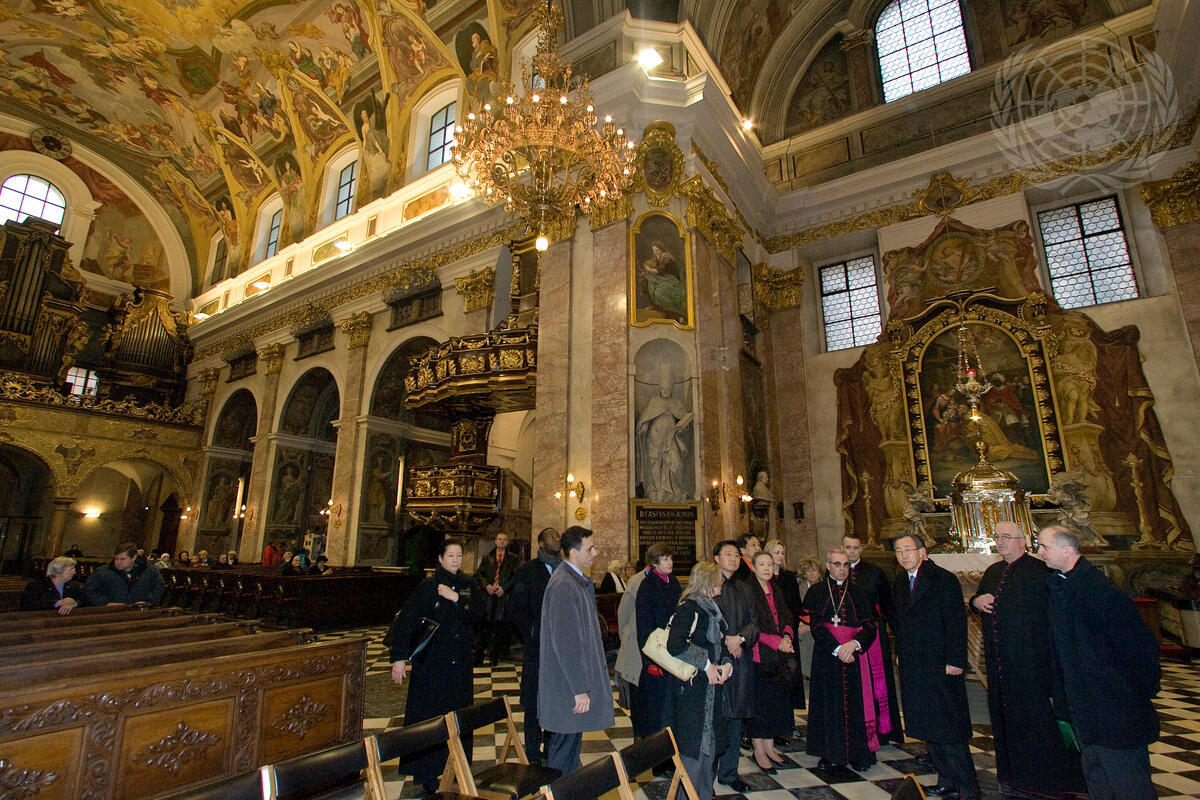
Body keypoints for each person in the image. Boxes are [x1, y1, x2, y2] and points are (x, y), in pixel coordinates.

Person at [1039, 525, 1160, 800]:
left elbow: (1141, 650)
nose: (1040, 552)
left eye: (1045, 546)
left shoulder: (1099, 591)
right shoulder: (1063, 586)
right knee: (1098, 778)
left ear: (1067, 550)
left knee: (1128, 783)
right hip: (1086, 707)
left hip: (1114, 709)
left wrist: (1130, 694)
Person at [970, 522, 1084, 798]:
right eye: (997, 537)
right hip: (1000, 665)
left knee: (1037, 724)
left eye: (1007, 537)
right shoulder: (993, 571)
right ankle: (1013, 777)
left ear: (1024, 541)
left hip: (1032, 665)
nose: (1000, 541)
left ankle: (1043, 782)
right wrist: (976, 601)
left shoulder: (1040, 572)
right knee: (1005, 722)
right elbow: (979, 600)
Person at [892, 534, 979, 800]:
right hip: (915, 663)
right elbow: (899, 623)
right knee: (929, 726)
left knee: (948, 729)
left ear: (923, 552)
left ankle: (967, 788)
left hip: (940, 663)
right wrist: (900, 653)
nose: (903, 555)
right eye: (899, 551)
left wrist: (955, 659)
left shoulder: (943, 579)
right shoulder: (900, 582)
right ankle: (946, 780)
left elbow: (956, 622)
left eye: (908, 550)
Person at [390, 538, 476, 794]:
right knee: (430, 718)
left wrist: (457, 598)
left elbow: (479, 612)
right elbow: (406, 620)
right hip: (432, 663)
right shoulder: (429, 586)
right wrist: (399, 657)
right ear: (440, 558)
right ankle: (427, 773)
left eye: (459, 555)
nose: (455, 560)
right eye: (450, 555)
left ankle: (457, 766)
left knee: (458, 716)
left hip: (459, 663)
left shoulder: (467, 584)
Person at [804, 547, 889, 772]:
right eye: (837, 564)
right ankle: (828, 752)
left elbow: (870, 626)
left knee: (856, 705)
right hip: (827, 656)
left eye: (845, 565)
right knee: (828, 704)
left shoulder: (860, 593)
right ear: (828, 566)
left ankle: (858, 753)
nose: (842, 569)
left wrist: (854, 645)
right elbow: (816, 626)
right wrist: (837, 648)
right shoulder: (817, 591)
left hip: (854, 657)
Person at [538, 526, 613, 775]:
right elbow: (566, 643)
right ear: (573, 552)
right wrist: (579, 688)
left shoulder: (574, 580)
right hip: (566, 687)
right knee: (564, 753)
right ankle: (559, 791)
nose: (595, 553)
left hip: (569, 685)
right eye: (590, 548)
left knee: (569, 750)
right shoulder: (564, 585)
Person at [665, 562, 733, 800]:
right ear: (708, 581)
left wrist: (726, 666)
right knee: (693, 752)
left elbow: (720, 645)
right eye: (718, 578)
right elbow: (675, 645)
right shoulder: (689, 608)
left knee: (709, 748)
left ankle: (703, 795)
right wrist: (707, 665)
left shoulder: (712, 608)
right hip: (692, 693)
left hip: (710, 692)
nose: (722, 583)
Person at [843, 533, 903, 744]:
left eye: (855, 547)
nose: (852, 551)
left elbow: (887, 605)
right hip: (846, 635)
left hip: (873, 634)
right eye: (848, 547)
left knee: (878, 680)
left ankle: (882, 730)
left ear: (861, 549)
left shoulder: (875, 572)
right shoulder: (835, 570)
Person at [511, 527, 561, 765]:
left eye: (558, 536)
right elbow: (516, 606)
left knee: (555, 698)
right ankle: (532, 751)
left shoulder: (564, 569)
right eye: (551, 536)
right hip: (537, 645)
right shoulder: (528, 569)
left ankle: (551, 748)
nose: (556, 539)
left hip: (559, 647)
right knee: (533, 701)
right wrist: (530, 631)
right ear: (541, 543)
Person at [712, 539, 758, 794]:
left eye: (736, 555)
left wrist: (739, 638)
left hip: (740, 661)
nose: (733, 559)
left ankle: (729, 773)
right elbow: (703, 620)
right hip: (715, 661)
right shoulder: (709, 585)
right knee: (715, 718)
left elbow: (754, 622)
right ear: (716, 558)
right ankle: (706, 774)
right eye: (728, 554)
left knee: (735, 718)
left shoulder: (745, 588)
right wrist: (726, 641)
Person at [746, 551, 796, 773]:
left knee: (774, 702)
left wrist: (787, 636)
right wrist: (776, 642)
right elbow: (751, 624)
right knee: (761, 704)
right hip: (759, 655)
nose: (767, 568)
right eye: (762, 564)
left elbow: (787, 615)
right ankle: (758, 750)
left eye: (769, 564)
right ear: (753, 567)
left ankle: (769, 746)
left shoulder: (776, 589)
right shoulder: (748, 590)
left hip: (779, 655)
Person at [633, 544, 682, 739]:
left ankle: (673, 745)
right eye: (665, 559)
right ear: (654, 562)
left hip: (673, 648)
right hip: (656, 652)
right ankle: (658, 749)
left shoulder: (674, 582)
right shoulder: (647, 586)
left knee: (671, 705)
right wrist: (650, 661)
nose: (670, 562)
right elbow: (644, 626)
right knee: (657, 707)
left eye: (671, 558)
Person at [764, 538, 807, 712]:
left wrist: (797, 624)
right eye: (776, 552)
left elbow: (796, 606)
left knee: (790, 672)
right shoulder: (763, 579)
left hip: (789, 630)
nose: (780, 556)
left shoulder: (789, 577)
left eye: (782, 553)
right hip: (770, 632)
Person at [613, 554, 648, 725]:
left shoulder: (670, 582)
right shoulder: (636, 581)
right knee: (637, 695)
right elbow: (624, 615)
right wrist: (626, 639)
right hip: (635, 643)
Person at [474, 532, 517, 665]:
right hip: (489, 596)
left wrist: (504, 588)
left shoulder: (513, 559)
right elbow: (479, 574)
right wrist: (486, 585)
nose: (502, 541)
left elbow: (516, 577)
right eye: (499, 539)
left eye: (504, 539)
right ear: (495, 541)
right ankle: (479, 656)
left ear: (507, 542)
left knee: (499, 628)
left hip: (503, 597)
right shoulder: (488, 557)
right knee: (485, 627)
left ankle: (495, 657)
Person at [84, 542, 167, 606]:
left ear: (134, 557)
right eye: (116, 559)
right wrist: (106, 603)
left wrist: (148, 601)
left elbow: (159, 587)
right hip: (110, 613)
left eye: (122, 559)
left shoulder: (149, 570)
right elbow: (89, 590)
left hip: (140, 611)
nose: (118, 562)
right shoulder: (102, 572)